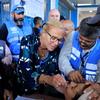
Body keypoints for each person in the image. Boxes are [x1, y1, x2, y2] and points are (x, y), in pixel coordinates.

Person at [16, 19, 67, 97]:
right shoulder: (28, 41)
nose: (56, 43)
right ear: (43, 33)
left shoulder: (57, 51)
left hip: (45, 94)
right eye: (53, 38)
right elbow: (26, 73)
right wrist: (48, 79)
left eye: (59, 40)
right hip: (23, 93)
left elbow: (57, 73)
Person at [59, 17, 100, 100]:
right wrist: (69, 71)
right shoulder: (72, 36)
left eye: (88, 41)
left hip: (90, 86)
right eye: (80, 38)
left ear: (97, 38)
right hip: (69, 84)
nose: (82, 43)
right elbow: (63, 57)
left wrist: (98, 85)